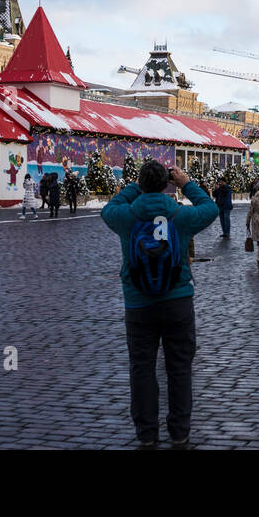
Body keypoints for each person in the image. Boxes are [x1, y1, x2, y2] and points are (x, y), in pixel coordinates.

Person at [100, 160, 218, 449]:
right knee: (179, 368)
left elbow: (108, 209)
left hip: (138, 303)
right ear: (167, 184)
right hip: (177, 301)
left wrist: (135, 187)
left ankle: (147, 432)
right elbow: (211, 209)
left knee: (142, 368)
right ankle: (179, 431)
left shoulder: (126, 216)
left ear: (141, 183)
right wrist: (186, 183)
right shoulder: (180, 215)